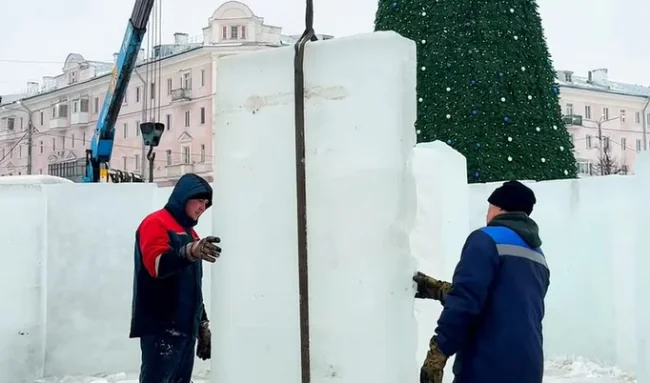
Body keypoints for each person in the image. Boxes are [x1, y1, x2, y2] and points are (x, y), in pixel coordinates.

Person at [413, 180, 550, 383]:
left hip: (488, 366)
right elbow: (504, 303)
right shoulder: (538, 256)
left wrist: (439, 352)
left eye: (489, 208)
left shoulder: (485, 239)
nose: (487, 215)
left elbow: (466, 301)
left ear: (499, 208)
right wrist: (439, 290)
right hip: (529, 368)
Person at [129, 173, 222, 383]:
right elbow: (157, 265)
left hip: (185, 329)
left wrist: (202, 324)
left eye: (206, 203)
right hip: (162, 327)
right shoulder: (156, 223)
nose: (202, 207)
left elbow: (192, 287)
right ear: (183, 197)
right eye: (199, 200)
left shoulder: (191, 234)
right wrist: (187, 252)